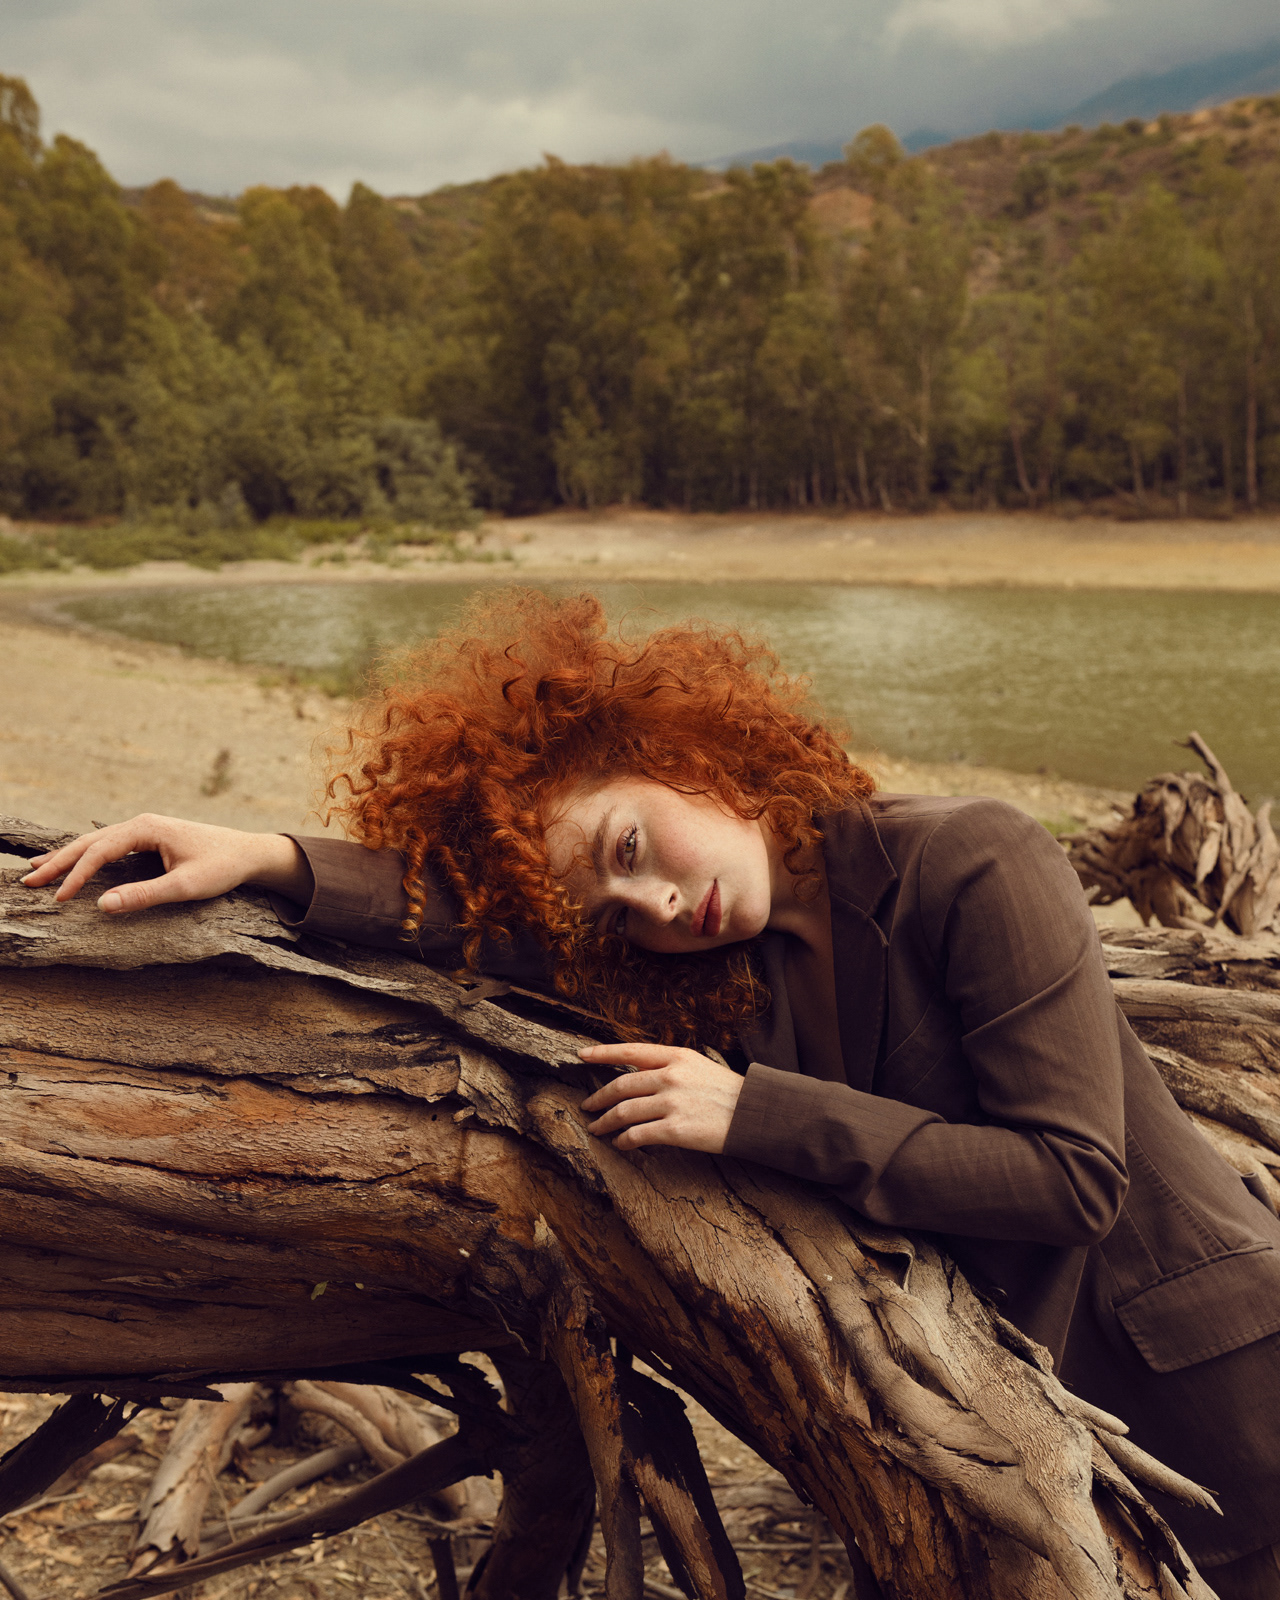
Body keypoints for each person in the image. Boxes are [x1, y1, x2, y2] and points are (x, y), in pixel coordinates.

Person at [22, 589, 1280, 1597]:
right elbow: (484, 928)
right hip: (1019, 1434)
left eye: (633, 850)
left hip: (1218, 1389)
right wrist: (268, 856)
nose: (663, 908)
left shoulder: (968, 857)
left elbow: (1068, 1178)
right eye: (614, 914)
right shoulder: (706, 967)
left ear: (687, 753)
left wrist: (756, 1115)